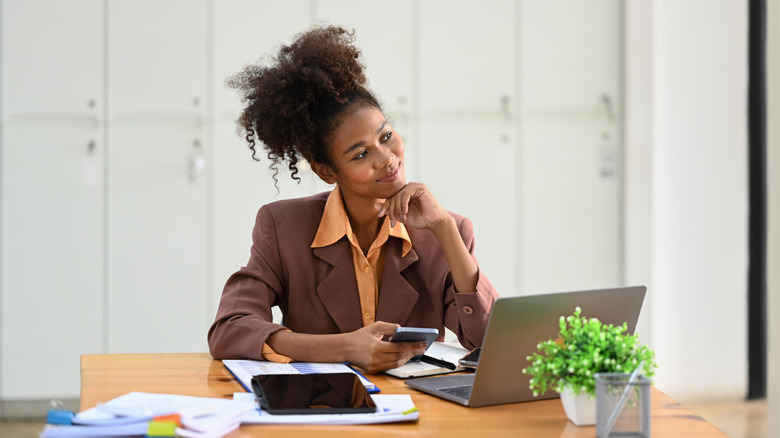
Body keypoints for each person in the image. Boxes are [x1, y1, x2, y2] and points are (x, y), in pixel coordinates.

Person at [208, 25, 499, 374]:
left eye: (386, 136)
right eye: (361, 154)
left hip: (416, 403)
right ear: (326, 171)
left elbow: (490, 343)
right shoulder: (284, 228)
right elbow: (230, 329)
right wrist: (342, 348)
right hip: (322, 400)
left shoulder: (446, 231)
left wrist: (445, 229)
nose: (386, 158)